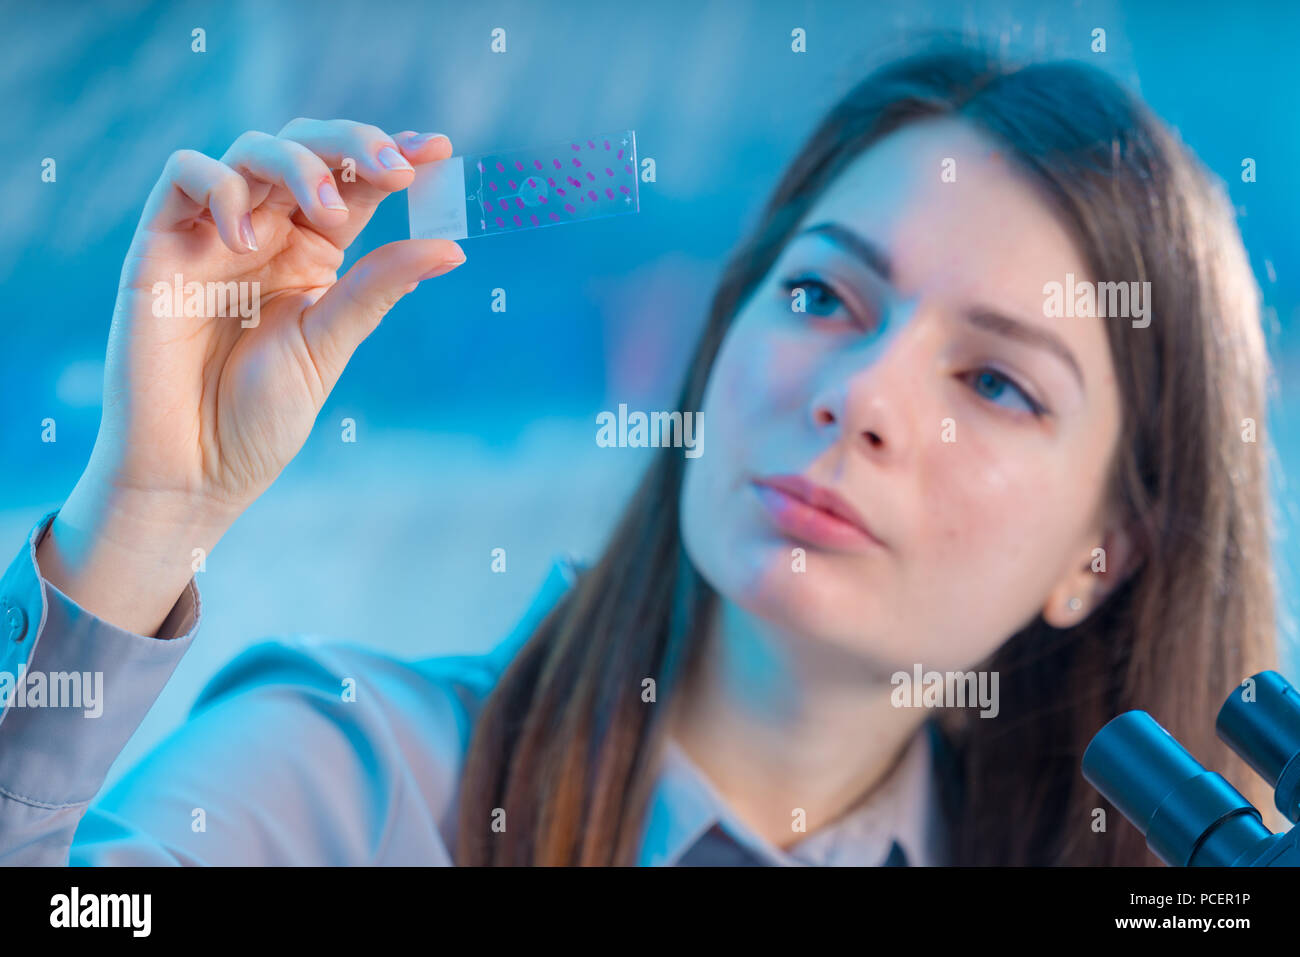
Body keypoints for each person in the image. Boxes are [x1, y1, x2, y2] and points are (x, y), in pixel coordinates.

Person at [0, 41, 1282, 867]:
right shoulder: (343, 780)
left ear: (1103, 557)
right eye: (823, 298)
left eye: (996, 380)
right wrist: (146, 516)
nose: (860, 396)